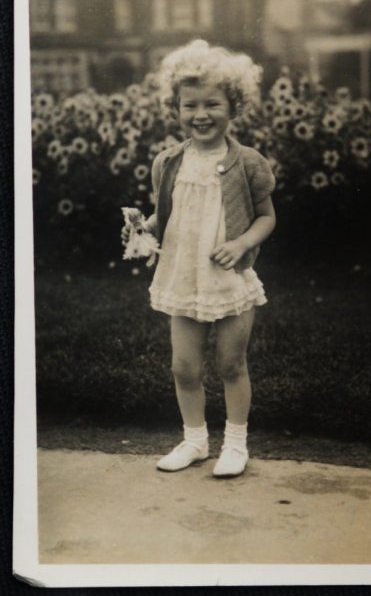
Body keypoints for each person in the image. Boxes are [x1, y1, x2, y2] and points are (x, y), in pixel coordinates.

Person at [140, 39, 275, 477]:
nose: (200, 114)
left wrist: (240, 244)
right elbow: (166, 217)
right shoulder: (168, 162)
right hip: (184, 277)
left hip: (229, 278)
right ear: (176, 109)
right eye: (189, 105)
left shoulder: (247, 163)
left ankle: (235, 444)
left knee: (231, 363)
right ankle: (195, 441)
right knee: (183, 366)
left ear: (233, 107)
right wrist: (143, 230)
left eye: (212, 104)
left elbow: (266, 217)